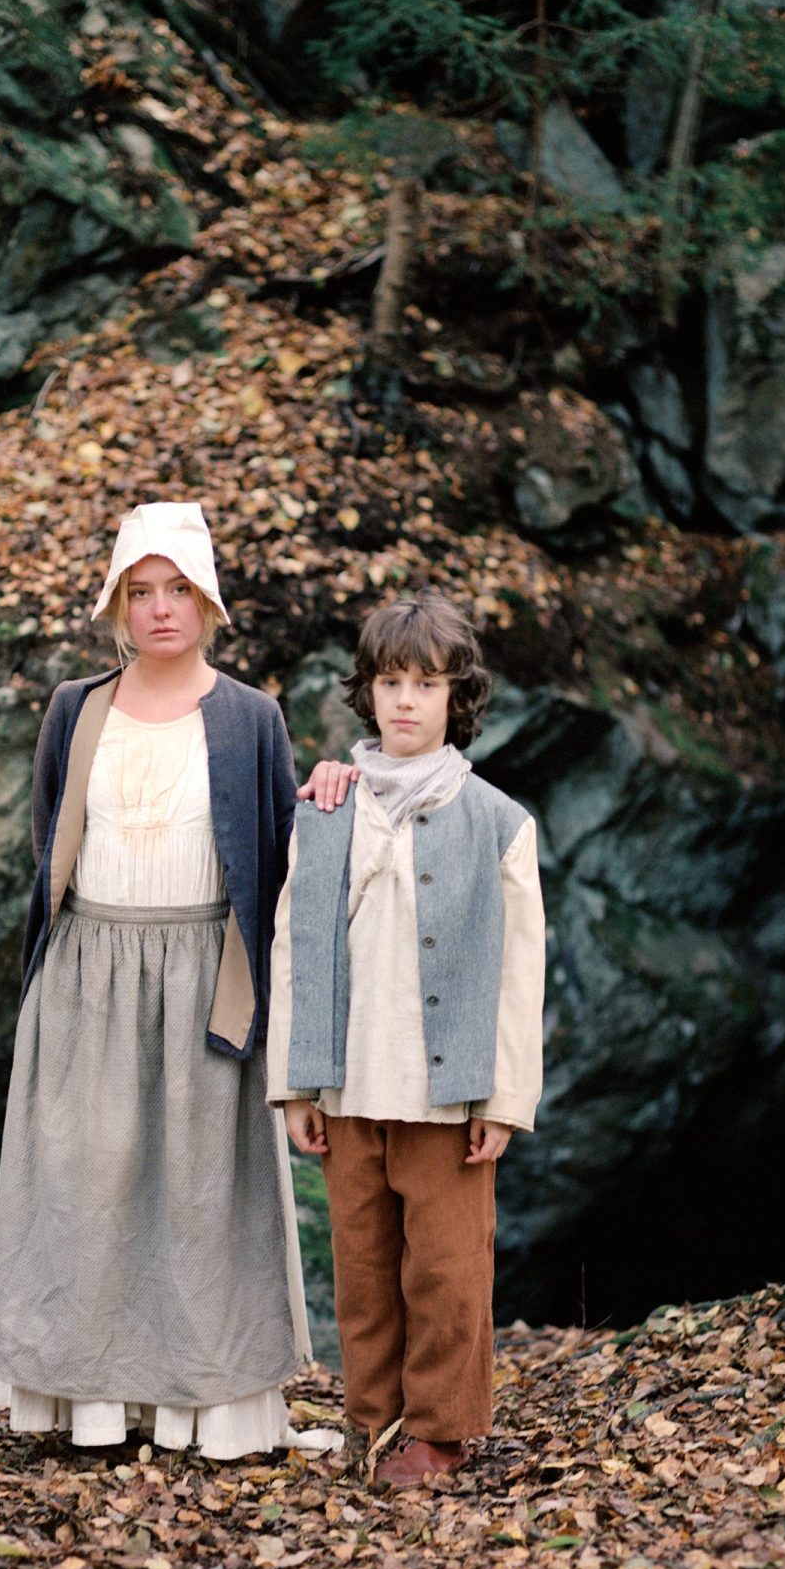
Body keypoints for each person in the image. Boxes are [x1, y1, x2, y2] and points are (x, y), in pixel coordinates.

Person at [0, 501, 343, 1461]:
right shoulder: (76, 707)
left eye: (177, 588)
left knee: (198, 1196)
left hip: (203, 975)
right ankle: (90, 1407)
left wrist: (337, 790)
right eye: (139, 592)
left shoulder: (250, 717)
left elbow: (274, 853)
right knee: (84, 1183)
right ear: (116, 607)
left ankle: (204, 1410)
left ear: (209, 600)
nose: (159, 609)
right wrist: (74, 964)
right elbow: (49, 840)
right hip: (89, 973)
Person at [268, 592, 546, 1487]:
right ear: (368, 690)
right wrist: (294, 1085)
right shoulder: (324, 809)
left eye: (427, 684)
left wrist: (504, 1100)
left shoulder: (499, 821)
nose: (405, 701)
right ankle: (372, 1421)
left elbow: (519, 973)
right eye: (391, 681)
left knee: (448, 1271)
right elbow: (291, 948)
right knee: (362, 1268)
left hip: (445, 1092)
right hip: (346, 1086)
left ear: (455, 698)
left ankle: (440, 1430)